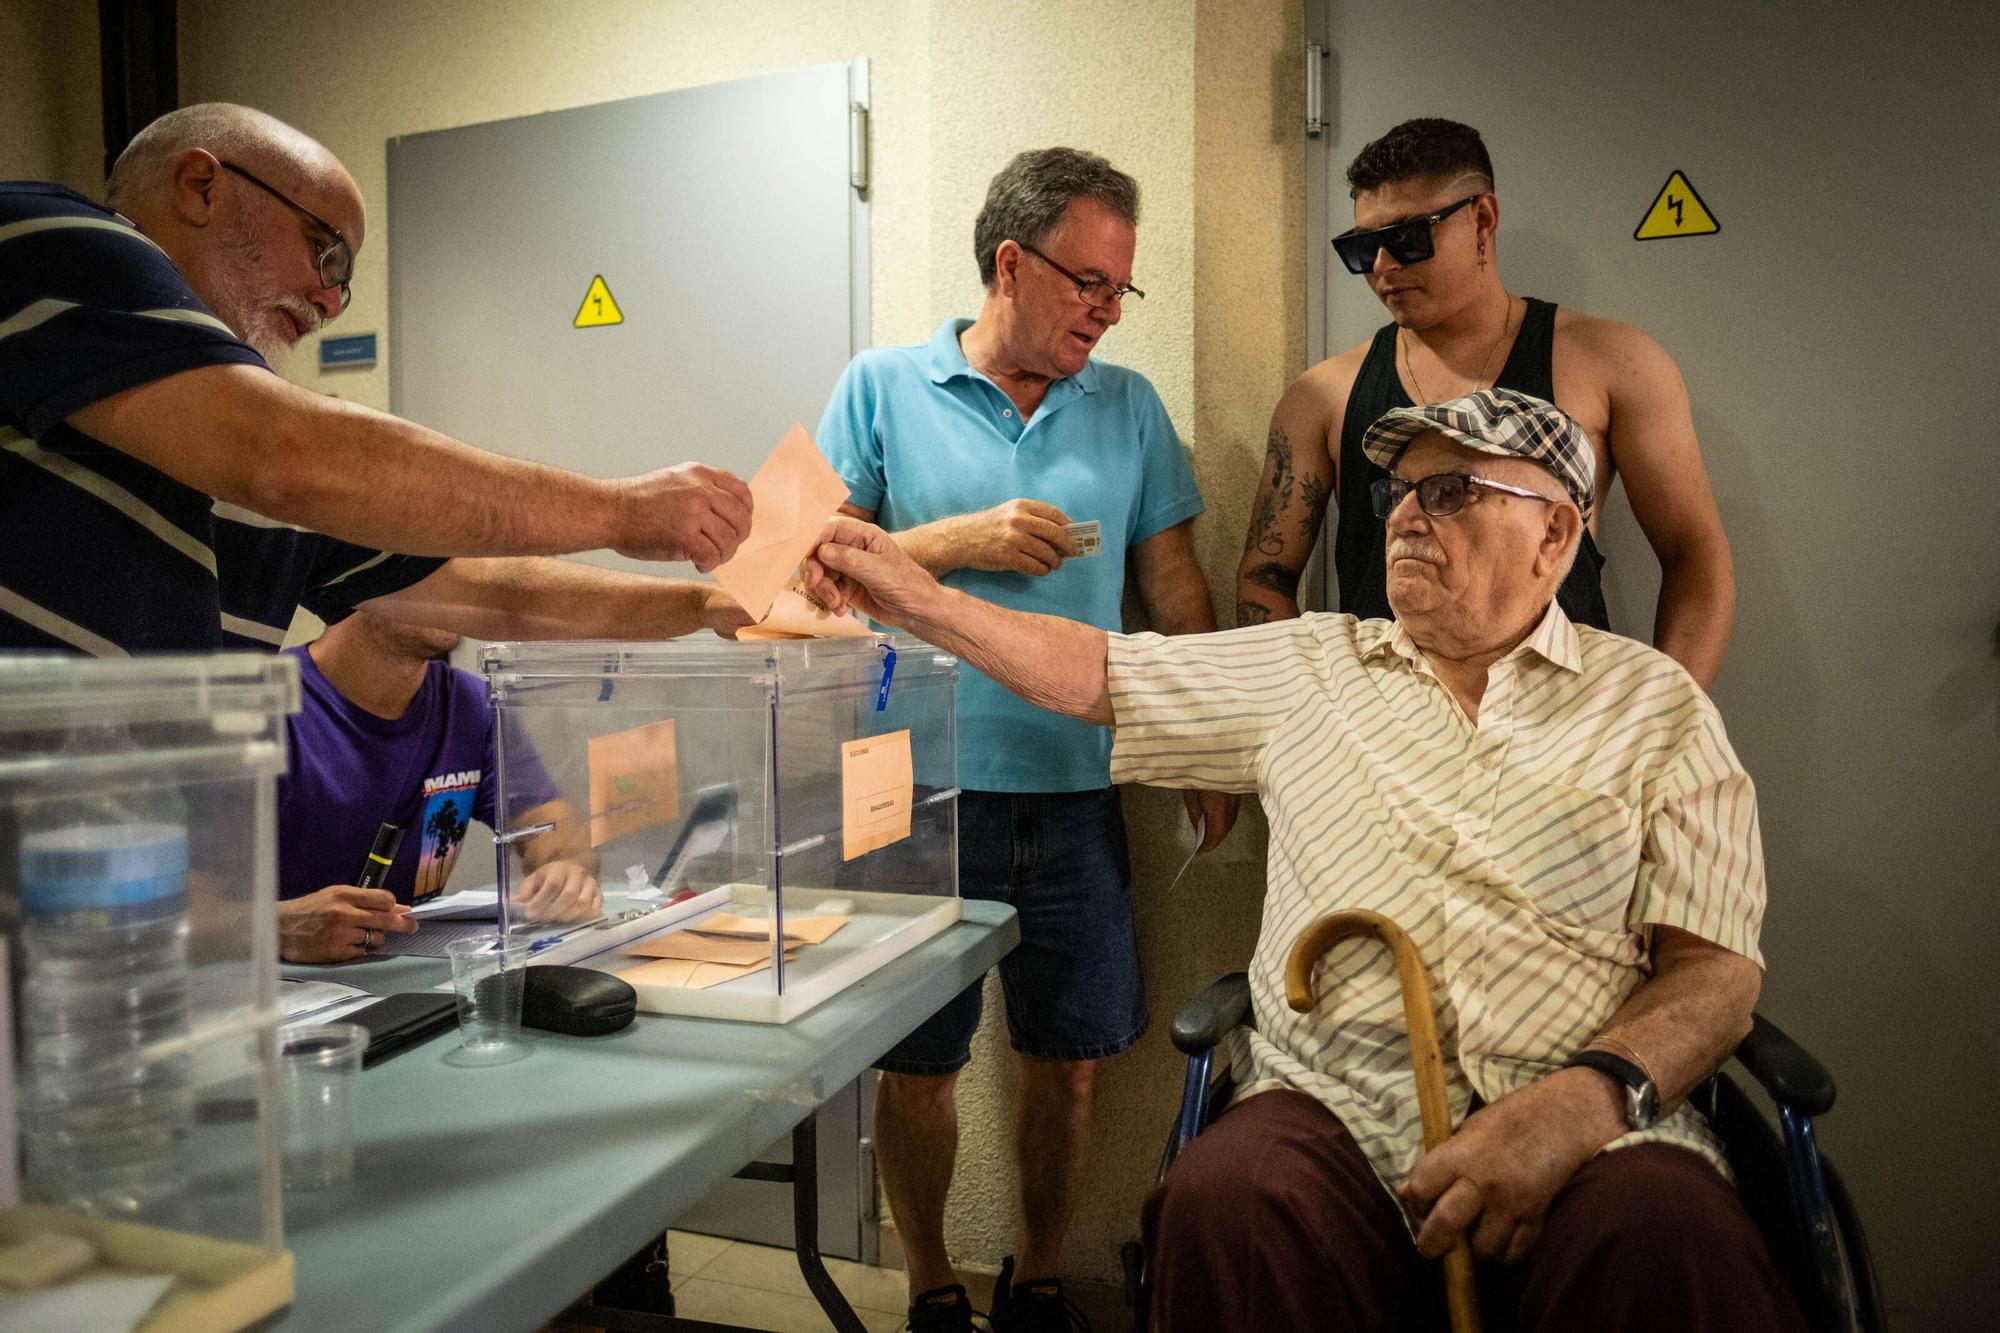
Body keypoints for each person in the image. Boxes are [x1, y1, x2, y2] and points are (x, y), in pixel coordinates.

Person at [804, 389, 1803, 1332]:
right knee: (1223, 1204)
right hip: (1335, 1111)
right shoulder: (1313, 664)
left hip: (1595, 1120)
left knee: (1674, 1244)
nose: (1405, 516)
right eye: (1397, 491)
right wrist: (913, 596)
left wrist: (1578, 1104)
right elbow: (1093, 672)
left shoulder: (1652, 706)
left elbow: (1714, 971)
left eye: (1450, 490)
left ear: (1554, 531)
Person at [813, 147, 1232, 1332]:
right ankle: (930, 1285)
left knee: (1071, 1057)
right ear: (1011, 261)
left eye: (1119, 291)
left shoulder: (1130, 405)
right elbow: (799, 574)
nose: (1107, 310)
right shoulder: (879, 383)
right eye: (1088, 283)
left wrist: (1201, 747)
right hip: (906, 790)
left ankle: (1037, 1274)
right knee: (915, 1063)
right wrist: (957, 541)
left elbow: (1175, 586)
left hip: (1073, 785)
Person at [1, 103, 753, 658]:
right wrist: (622, 510)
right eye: (326, 253)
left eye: (346, 286)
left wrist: (712, 604)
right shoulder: (50, 240)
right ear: (201, 185)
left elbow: (491, 592)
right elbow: (286, 451)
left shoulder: (243, 468)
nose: (329, 302)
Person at [1236, 117, 1735, 689]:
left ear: (1482, 220)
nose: (1381, 267)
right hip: (1386, 737)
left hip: (1562, 730)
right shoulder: (1321, 396)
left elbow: (1696, 558)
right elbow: (1265, 578)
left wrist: (1660, 722)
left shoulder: (1612, 364)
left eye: (1406, 238)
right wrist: (1301, 720)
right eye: (1361, 247)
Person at [274, 610, 602, 964]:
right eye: (426, 569)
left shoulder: (471, 704)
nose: (456, 594)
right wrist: (271, 928)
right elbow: (205, 911)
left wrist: (565, 873)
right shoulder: (264, 704)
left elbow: (556, 835)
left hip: (408, 977)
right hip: (274, 991)